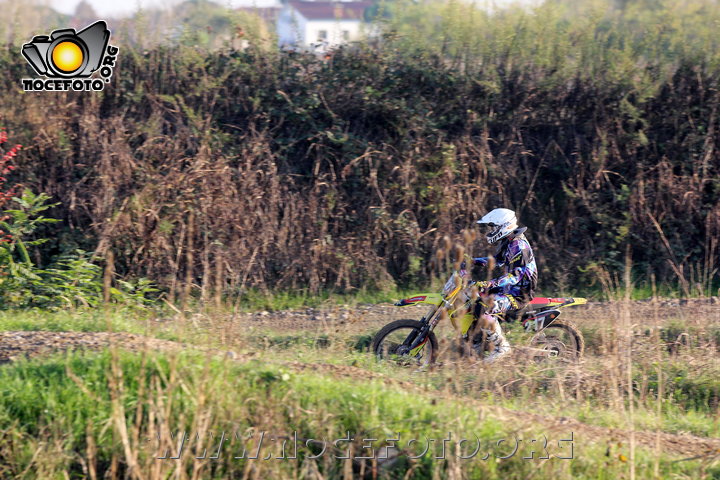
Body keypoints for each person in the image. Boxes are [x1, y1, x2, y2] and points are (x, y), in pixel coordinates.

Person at [461, 208, 538, 361]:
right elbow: (498, 261)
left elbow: (515, 276)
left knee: (483, 306)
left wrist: (489, 283)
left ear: (505, 226)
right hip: (508, 288)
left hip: (519, 293)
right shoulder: (508, 241)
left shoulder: (519, 246)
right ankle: (478, 340)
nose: (491, 231)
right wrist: (474, 261)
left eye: (494, 227)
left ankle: (502, 346)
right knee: (473, 300)